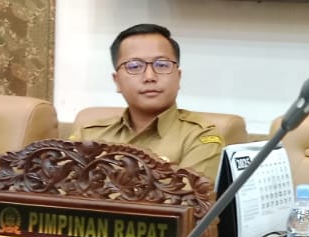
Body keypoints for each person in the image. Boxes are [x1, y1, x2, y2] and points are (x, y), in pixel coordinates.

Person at [69, 23, 225, 182]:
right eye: (134, 66)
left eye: (162, 65)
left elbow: (189, 196)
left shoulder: (200, 137)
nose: (150, 77)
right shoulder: (88, 135)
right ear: (117, 81)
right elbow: (61, 190)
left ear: (178, 77)